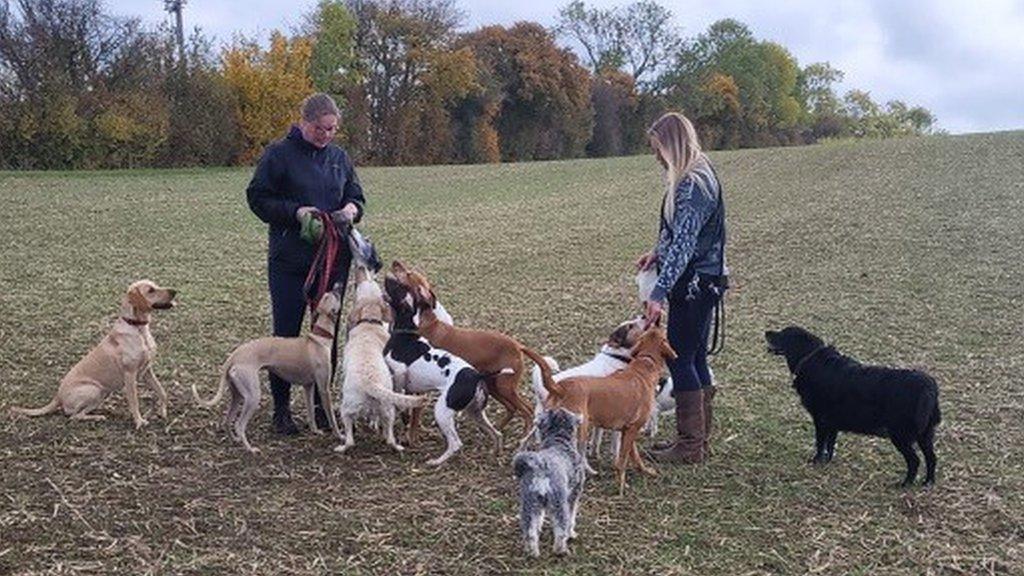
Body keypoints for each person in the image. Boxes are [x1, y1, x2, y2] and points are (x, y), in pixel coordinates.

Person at [246, 93, 365, 435]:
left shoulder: (339, 158)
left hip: (332, 259)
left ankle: (322, 407)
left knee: (326, 336)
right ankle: (281, 411)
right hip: (289, 261)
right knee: (285, 336)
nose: (326, 135)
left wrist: (351, 211)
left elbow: (356, 196)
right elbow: (257, 197)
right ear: (304, 122)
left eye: (332, 129)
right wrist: (296, 212)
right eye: (320, 129)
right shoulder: (278, 155)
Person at [636, 112, 727, 464]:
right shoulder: (694, 176)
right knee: (696, 357)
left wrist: (658, 293)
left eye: (658, 147)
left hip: (695, 284)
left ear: (671, 145)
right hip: (703, 281)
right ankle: (697, 442)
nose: (656, 154)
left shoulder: (693, 185)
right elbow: (675, 235)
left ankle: (690, 445)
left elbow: (686, 243)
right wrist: (656, 252)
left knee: (682, 359)